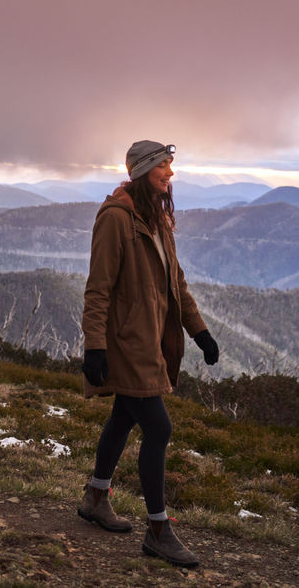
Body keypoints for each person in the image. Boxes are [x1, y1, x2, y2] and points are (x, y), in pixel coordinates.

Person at [77, 140, 220, 568]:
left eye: (171, 167)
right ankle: (158, 530)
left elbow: (177, 284)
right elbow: (98, 288)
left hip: (151, 339)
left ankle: (96, 496)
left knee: (124, 417)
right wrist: (95, 345)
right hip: (127, 343)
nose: (170, 174)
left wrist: (200, 332)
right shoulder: (115, 218)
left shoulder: (156, 218)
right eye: (163, 166)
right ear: (142, 171)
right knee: (158, 428)